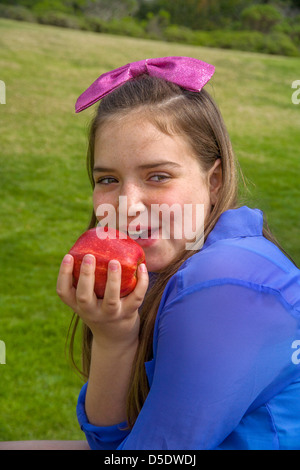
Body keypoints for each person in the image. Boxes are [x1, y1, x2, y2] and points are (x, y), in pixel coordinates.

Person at [56, 57, 300, 450]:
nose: (128, 205)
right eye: (107, 179)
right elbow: (110, 441)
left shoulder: (227, 281)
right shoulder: (173, 262)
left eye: (158, 176)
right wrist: (114, 338)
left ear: (214, 181)